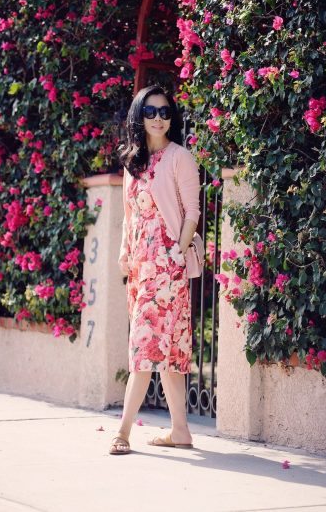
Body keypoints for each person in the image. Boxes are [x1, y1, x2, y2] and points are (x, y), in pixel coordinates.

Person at [109, 85, 201, 455]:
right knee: (168, 350)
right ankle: (180, 431)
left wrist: (176, 255)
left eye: (165, 112)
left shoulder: (181, 158)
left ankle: (123, 431)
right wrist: (124, 256)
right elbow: (130, 218)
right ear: (138, 116)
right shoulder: (134, 164)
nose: (158, 118)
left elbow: (192, 213)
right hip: (142, 269)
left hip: (167, 269)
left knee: (145, 348)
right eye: (150, 112)